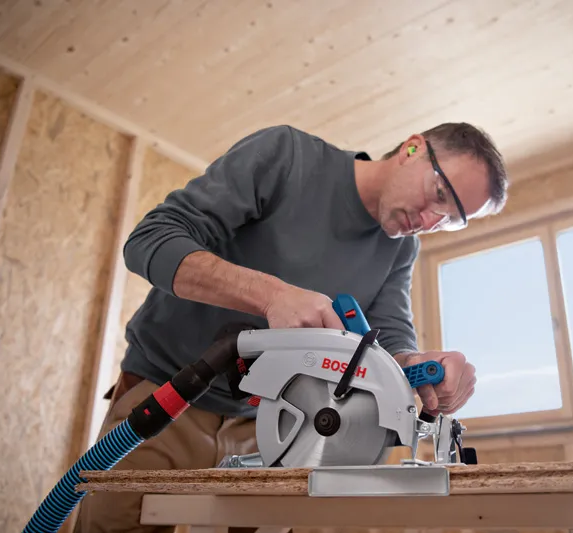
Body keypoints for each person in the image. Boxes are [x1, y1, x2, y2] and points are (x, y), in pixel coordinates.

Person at [74, 122, 508, 532]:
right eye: (438, 194)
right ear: (412, 148)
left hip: (274, 427)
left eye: (450, 219)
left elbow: (388, 333)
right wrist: (272, 295)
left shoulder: (401, 248)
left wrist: (415, 366)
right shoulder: (288, 157)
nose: (430, 221)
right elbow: (150, 240)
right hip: (165, 398)